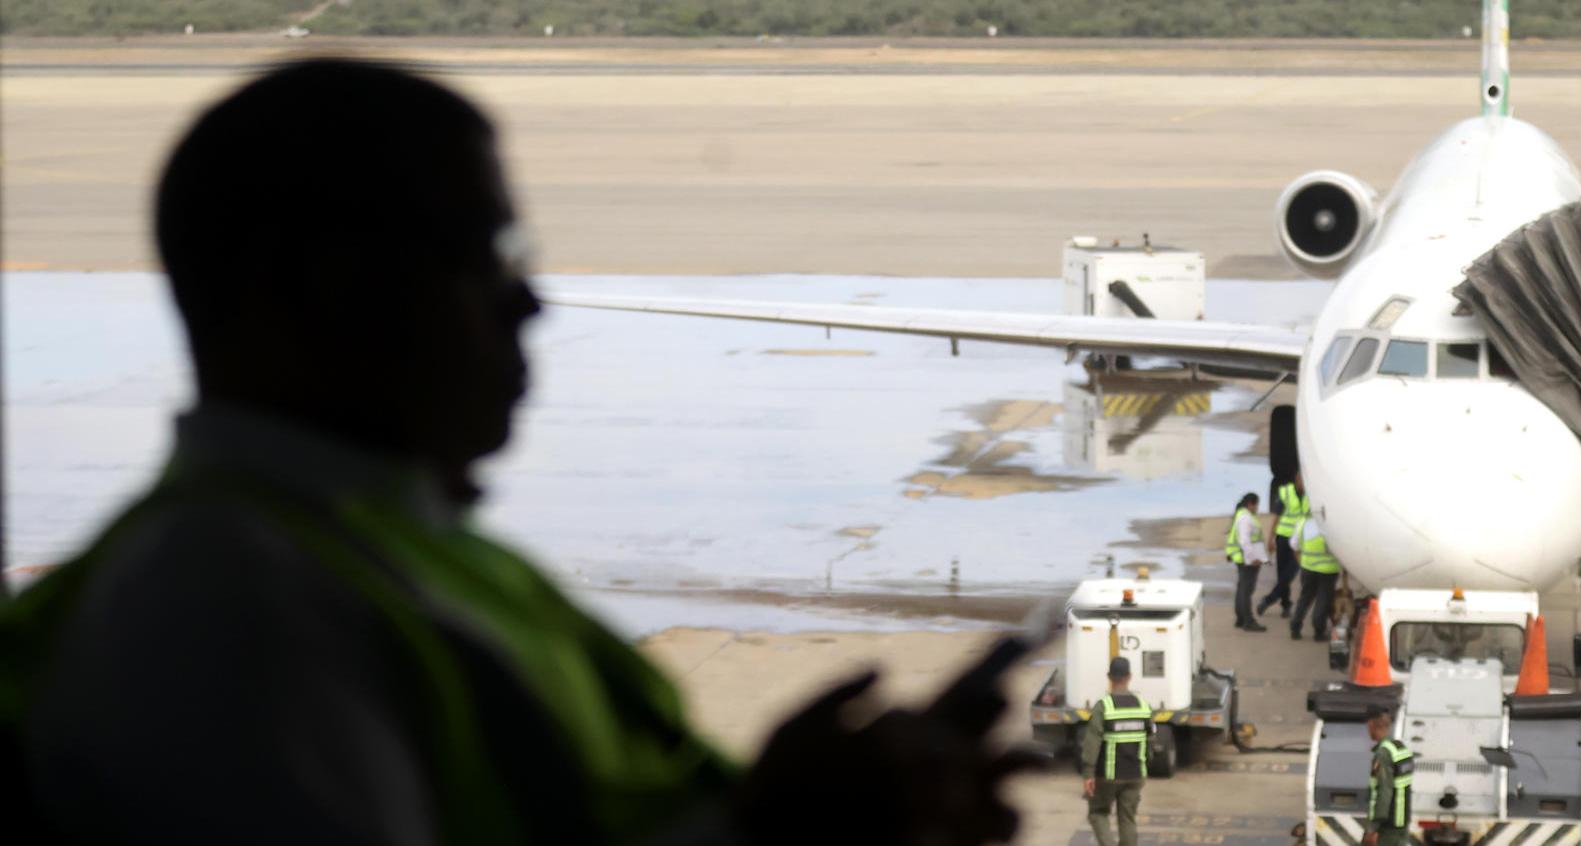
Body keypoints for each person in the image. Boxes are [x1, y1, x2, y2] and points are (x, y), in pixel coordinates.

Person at [3, 58, 1036, 845]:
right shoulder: (232, 608)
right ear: (325, 288)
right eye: (486, 256)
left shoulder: (401, 558)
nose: (529, 302)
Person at [1081, 657, 1153, 846]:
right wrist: (1146, 765)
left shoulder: (1104, 706)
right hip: (1135, 774)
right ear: (1129, 676)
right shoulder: (1143, 706)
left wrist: (1088, 773)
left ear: (1109, 677)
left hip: (1108, 775)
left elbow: (1092, 741)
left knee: (1098, 812)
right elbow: (1150, 740)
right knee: (1127, 818)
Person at [1256, 473, 1309, 619]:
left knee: (1290, 573)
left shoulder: (1310, 494)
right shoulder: (1286, 492)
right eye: (1302, 480)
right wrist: (1270, 538)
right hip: (1283, 538)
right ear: (1296, 480)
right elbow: (1276, 517)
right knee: (1282, 574)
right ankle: (1286, 605)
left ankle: (1269, 599)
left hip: (1299, 540)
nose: (1304, 483)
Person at [1363, 705, 1415, 846]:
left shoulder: (1383, 754)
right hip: (1402, 821)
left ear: (1371, 725)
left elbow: (1384, 791)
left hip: (1387, 826)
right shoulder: (1401, 749)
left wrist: (1373, 829)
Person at [1289, 516, 1341, 642]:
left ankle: (1295, 628)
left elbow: (1294, 545)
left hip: (1308, 568)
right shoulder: (1334, 523)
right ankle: (1319, 631)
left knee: (1305, 598)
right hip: (1328, 570)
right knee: (1323, 600)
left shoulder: (1303, 522)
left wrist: (1302, 563)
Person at [1225, 492, 1268, 632]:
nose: (1257, 508)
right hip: (1246, 558)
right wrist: (1252, 557)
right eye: (1257, 505)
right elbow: (1244, 540)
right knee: (1246, 590)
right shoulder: (1245, 518)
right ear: (1250, 504)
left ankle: (1240, 619)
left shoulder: (1241, 515)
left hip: (1241, 556)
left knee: (1242, 589)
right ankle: (1248, 621)